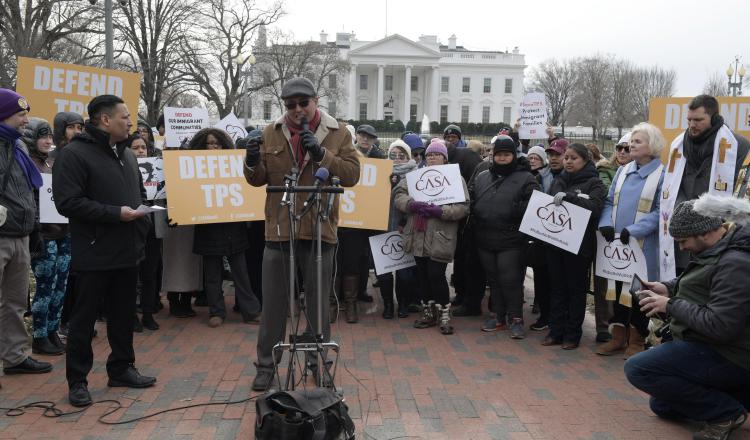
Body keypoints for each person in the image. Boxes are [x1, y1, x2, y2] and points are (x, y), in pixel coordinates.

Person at [243, 77, 360, 391]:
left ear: (316, 100)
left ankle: (317, 361)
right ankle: (266, 365)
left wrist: (321, 154)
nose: (297, 110)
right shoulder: (271, 132)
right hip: (279, 230)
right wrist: (251, 160)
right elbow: (257, 179)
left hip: (320, 230)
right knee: (274, 305)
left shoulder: (339, 133)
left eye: (302, 103)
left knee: (318, 304)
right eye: (290, 105)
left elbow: (351, 175)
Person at [53, 94, 156, 407]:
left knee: (124, 315)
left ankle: (122, 367)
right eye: (125, 116)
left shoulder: (125, 154)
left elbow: (137, 194)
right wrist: (116, 214)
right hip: (94, 252)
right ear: (105, 120)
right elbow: (67, 202)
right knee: (84, 321)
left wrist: (139, 222)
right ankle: (78, 381)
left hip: (127, 250)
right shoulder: (74, 155)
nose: (130, 122)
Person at [625, 196, 750, 440]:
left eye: (683, 241)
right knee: (662, 405)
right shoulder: (719, 249)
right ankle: (733, 396)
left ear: (703, 232)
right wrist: (668, 288)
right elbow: (705, 281)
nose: (681, 248)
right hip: (709, 347)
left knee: (639, 369)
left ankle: (727, 414)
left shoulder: (736, 262)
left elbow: (721, 326)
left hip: (730, 354)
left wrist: (671, 305)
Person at [660, 95, 750, 280]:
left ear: (714, 117)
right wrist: (684, 210)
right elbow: (674, 185)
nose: (692, 125)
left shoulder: (737, 145)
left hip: (715, 229)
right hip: (684, 227)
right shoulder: (679, 144)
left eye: (699, 120)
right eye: (689, 120)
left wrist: (704, 213)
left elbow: (739, 187)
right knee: (681, 280)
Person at [597, 123, 665, 358]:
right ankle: (618, 336)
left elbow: (661, 210)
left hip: (642, 246)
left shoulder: (662, 174)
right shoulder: (622, 171)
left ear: (652, 146)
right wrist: (605, 223)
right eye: (631, 141)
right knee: (616, 292)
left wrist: (634, 230)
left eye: (637, 142)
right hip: (617, 247)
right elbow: (608, 202)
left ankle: (637, 341)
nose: (630, 145)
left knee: (639, 294)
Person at [0, 89, 52, 379]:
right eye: (21, 114)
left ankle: (15, 357)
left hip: (19, 233)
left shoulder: (18, 145)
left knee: (16, 301)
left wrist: (35, 228)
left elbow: (31, 189)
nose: (26, 120)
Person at [394, 140, 469, 335]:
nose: (432, 158)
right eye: (429, 155)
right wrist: (411, 205)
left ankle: (444, 311)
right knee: (423, 276)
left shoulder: (455, 178)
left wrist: (440, 211)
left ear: (444, 158)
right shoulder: (414, 176)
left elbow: (463, 207)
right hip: (417, 233)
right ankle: (428, 311)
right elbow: (399, 195)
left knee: (436, 274)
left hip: (440, 234)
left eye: (436, 154)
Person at [189, 128, 261, 327]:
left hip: (232, 226)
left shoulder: (235, 165)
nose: (213, 147)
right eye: (209, 144)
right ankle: (217, 312)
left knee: (241, 272)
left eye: (217, 143)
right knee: (212, 273)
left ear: (224, 145)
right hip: (208, 227)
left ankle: (251, 311)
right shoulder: (195, 170)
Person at [470, 136, 539, 339]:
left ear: (513, 156)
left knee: (510, 280)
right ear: (492, 155)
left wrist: (513, 209)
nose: (501, 158)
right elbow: (472, 197)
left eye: (506, 154)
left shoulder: (526, 178)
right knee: (494, 280)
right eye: (498, 154)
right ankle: (498, 315)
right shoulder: (483, 176)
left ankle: (516, 318)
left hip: (511, 238)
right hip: (485, 236)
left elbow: (534, 205)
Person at [542, 143, 606, 350]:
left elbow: (595, 208)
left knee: (575, 290)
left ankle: (572, 334)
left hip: (579, 247)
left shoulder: (594, 183)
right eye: (566, 157)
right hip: (556, 244)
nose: (568, 161)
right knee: (557, 288)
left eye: (573, 158)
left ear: (585, 160)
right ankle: (555, 330)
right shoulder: (559, 180)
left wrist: (572, 198)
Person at [23, 118, 71, 355]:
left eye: (50, 136)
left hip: (62, 233)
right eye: (43, 136)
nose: (48, 141)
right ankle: (39, 336)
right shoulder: (29, 164)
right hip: (44, 236)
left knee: (60, 287)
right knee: (44, 288)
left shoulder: (50, 164)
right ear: (32, 137)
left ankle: (52, 330)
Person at [442, 125, 483, 316]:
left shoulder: (468, 157)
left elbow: (474, 184)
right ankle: (460, 294)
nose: (450, 140)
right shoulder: (446, 159)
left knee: (467, 259)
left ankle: (469, 299)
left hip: (466, 215)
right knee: (458, 257)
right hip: (450, 214)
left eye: (453, 138)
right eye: (447, 138)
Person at [52, 111, 84, 334]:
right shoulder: (53, 157)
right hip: (54, 227)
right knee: (61, 277)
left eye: (80, 127)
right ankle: (61, 321)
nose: (77, 132)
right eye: (71, 127)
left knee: (76, 275)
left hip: (77, 225)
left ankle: (73, 319)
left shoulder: (83, 155)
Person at [378, 139, 418, 318]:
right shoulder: (380, 173)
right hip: (382, 227)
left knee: (405, 273)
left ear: (408, 157)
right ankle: (387, 305)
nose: (397, 159)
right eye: (393, 155)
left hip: (405, 229)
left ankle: (403, 303)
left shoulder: (416, 175)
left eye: (401, 156)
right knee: (384, 273)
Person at [128, 135, 161, 331]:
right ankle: (131, 315)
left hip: (152, 229)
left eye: (143, 147)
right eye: (135, 148)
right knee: (133, 275)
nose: (141, 151)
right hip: (132, 227)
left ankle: (148, 313)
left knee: (150, 273)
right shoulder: (124, 168)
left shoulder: (157, 168)